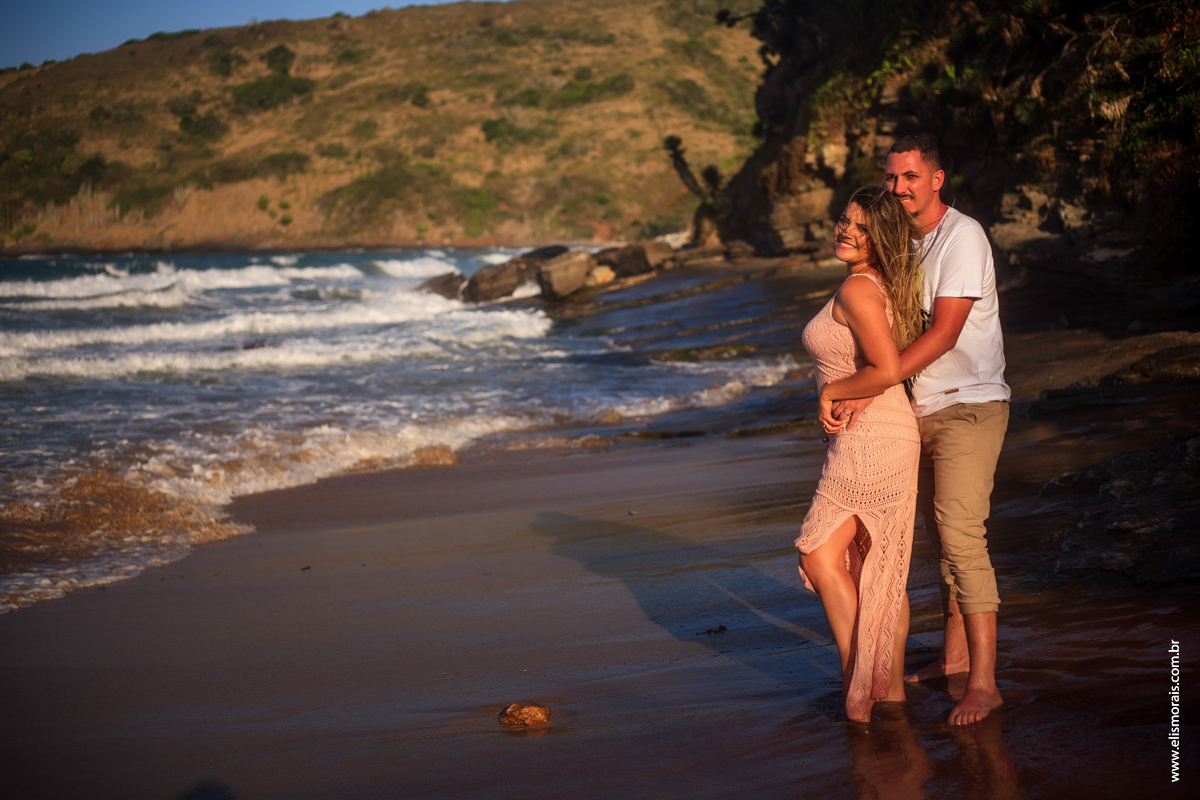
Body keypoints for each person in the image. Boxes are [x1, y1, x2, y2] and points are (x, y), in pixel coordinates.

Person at [834, 134, 1011, 725]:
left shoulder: (964, 237)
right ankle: (954, 659)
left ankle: (984, 684)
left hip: (969, 403)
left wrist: (868, 385)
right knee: (941, 542)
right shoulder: (904, 245)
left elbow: (944, 333)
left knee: (962, 534)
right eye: (891, 178)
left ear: (936, 179)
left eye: (910, 176)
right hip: (919, 409)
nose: (898, 187)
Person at [795, 185, 925, 723]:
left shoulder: (858, 289)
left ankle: (861, 682)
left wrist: (830, 393)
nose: (846, 230)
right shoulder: (871, 284)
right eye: (845, 220)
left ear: (881, 238)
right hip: (868, 433)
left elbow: (887, 368)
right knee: (876, 567)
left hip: (876, 435)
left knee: (819, 553)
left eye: (861, 226)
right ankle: (884, 688)